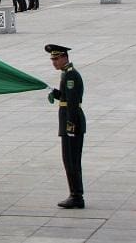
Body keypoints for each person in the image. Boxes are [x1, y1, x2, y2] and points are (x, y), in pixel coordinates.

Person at [46, 44, 86, 209]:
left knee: (71, 161)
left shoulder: (70, 76)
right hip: (71, 122)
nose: (54, 62)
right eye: (52, 59)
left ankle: (76, 196)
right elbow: (66, 97)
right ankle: (75, 194)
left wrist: (70, 126)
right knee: (70, 160)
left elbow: (72, 103)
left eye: (56, 59)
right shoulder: (66, 74)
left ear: (64, 57)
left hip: (72, 124)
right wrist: (54, 93)